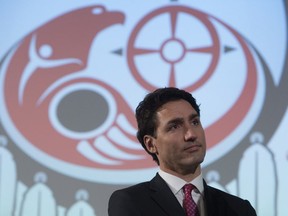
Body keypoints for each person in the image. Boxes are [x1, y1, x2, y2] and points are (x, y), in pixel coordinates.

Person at [108, 87, 257, 216]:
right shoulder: (131, 202)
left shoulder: (240, 209)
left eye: (195, 122)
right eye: (174, 126)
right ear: (151, 144)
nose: (191, 134)